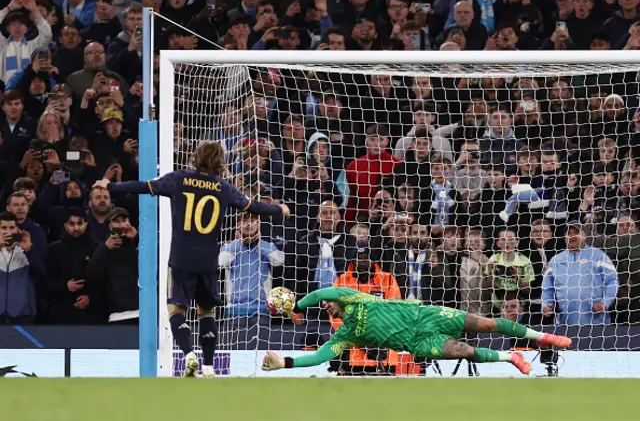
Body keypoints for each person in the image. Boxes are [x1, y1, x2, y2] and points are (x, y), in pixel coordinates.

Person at [93, 141, 290, 378]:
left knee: (176, 309)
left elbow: (144, 186)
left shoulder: (180, 179)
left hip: (181, 258)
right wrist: (279, 209)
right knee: (206, 313)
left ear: (196, 157)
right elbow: (252, 207)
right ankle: (208, 366)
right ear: (220, 162)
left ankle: (188, 354)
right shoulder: (224, 187)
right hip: (207, 260)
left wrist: (111, 186)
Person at [262, 288, 572, 374]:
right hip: (418, 341)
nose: (326, 306)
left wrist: (296, 307)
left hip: (426, 315)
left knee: (487, 323)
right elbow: (318, 358)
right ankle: (510, 357)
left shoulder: (352, 297)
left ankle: (542, 337)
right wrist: (283, 363)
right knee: (463, 351)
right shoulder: (347, 335)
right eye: (324, 309)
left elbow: (319, 294)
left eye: (327, 304)